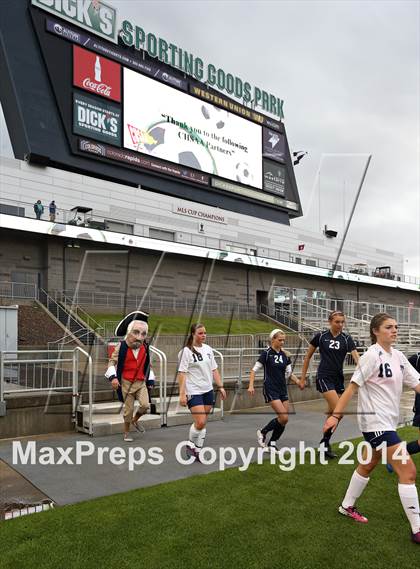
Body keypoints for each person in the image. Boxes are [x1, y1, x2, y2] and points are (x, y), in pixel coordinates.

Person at [323, 313, 420, 544]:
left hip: (387, 423)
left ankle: (347, 506)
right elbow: (351, 388)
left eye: (396, 327)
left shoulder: (398, 357)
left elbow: (417, 384)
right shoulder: (370, 356)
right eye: (389, 327)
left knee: (368, 464)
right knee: (408, 472)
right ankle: (417, 530)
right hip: (375, 424)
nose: (394, 330)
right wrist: (336, 416)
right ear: (376, 331)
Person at [300, 310, 360, 458]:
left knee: (332, 413)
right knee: (338, 412)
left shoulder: (347, 339)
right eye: (337, 322)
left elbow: (357, 358)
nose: (340, 325)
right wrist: (302, 378)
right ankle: (324, 443)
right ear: (330, 322)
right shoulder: (320, 337)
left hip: (338, 378)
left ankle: (324, 445)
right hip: (324, 376)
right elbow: (307, 357)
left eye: (342, 322)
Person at [177, 323, 226, 461]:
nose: (203, 335)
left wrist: (220, 386)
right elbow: (182, 373)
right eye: (200, 333)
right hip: (194, 390)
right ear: (193, 334)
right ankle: (190, 445)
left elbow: (214, 369)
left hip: (208, 390)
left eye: (205, 333)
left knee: (203, 422)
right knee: (200, 421)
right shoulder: (186, 351)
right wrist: (182, 394)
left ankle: (197, 450)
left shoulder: (208, 349)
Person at [248, 328, 302, 450]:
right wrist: (251, 385)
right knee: (284, 417)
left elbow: (289, 373)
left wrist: (298, 381)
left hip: (282, 388)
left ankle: (272, 443)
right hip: (270, 388)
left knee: (283, 420)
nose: (282, 342)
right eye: (280, 340)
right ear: (273, 339)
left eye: (284, 340)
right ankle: (262, 432)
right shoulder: (266, 354)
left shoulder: (285, 355)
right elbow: (253, 370)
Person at [105, 311, 154, 442]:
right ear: (128, 332)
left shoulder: (145, 347)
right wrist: (113, 378)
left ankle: (135, 421)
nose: (139, 337)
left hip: (140, 382)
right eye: (136, 332)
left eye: (143, 334)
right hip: (126, 382)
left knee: (145, 405)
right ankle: (126, 432)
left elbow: (148, 364)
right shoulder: (121, 347)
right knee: (128, 410)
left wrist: (150, 379)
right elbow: (111, 362)